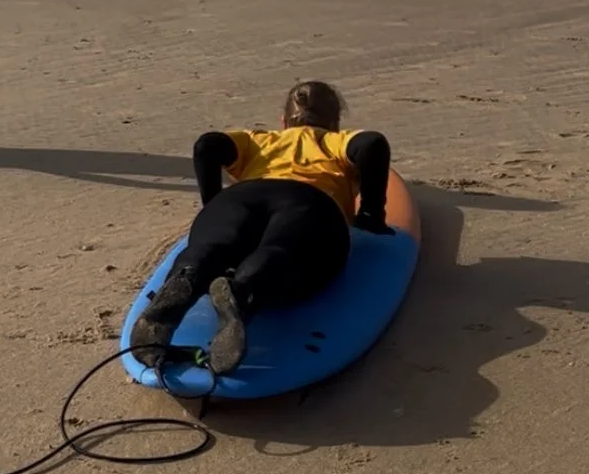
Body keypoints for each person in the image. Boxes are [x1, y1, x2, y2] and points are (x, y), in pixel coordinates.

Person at [130, 80, 392, 374]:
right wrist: (370, 214)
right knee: (281, 249)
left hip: (238, 200)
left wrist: (213, 208)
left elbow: (207, 145)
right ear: (334, 122)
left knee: (212, 248)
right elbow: (371, 144)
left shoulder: (259, 141)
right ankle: (242, 290)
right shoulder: (333, 141)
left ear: (283, 122)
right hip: (307, 203)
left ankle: (187, 276)